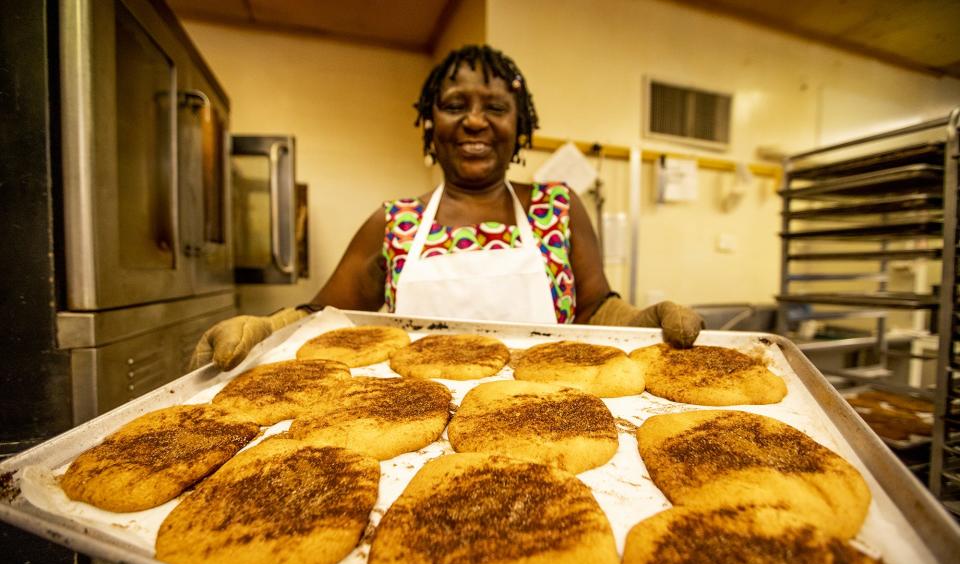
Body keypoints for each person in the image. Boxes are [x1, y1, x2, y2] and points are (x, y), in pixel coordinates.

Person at [191, 45, 703, 371]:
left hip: (552, 415)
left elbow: (594, 310)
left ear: (519, 128)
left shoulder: (558, 208)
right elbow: (325, 317)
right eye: (455, 106)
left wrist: (641, 318)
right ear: (430, 125)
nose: (474, 122)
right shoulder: (394, 222)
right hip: (409, 428)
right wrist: (264, 328)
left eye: (495, 108)